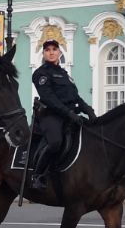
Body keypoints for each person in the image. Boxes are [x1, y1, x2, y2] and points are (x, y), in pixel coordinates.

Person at [30, 38, 95, 191]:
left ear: (59, 52)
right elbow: (49, 98)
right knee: (55, 142)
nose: (51, 52)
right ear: (44, 54)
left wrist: (88, 110)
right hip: (50, 115)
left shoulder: (65, 74)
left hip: (69, 114)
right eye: (47, 50)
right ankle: (37, 176)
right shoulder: (41, 74)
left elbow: (75, 96)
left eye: (54, 49)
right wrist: (68, 113)